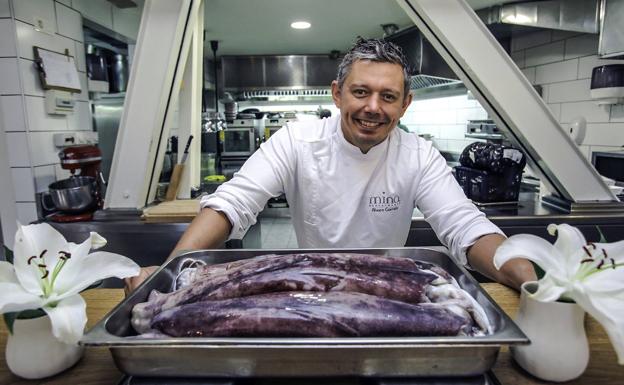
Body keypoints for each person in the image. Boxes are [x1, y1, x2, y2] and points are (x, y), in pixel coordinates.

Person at [125, 38, 536, 292]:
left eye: (388, 97)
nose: (373, 108)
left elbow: (463, 225)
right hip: (311, 285)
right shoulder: (298, 139)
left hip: (387, 289)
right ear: (338, 94)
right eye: (361, 91)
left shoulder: (417, 155)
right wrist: (170, 271)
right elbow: (234, 202)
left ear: (405, 105)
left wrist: (528, 279)